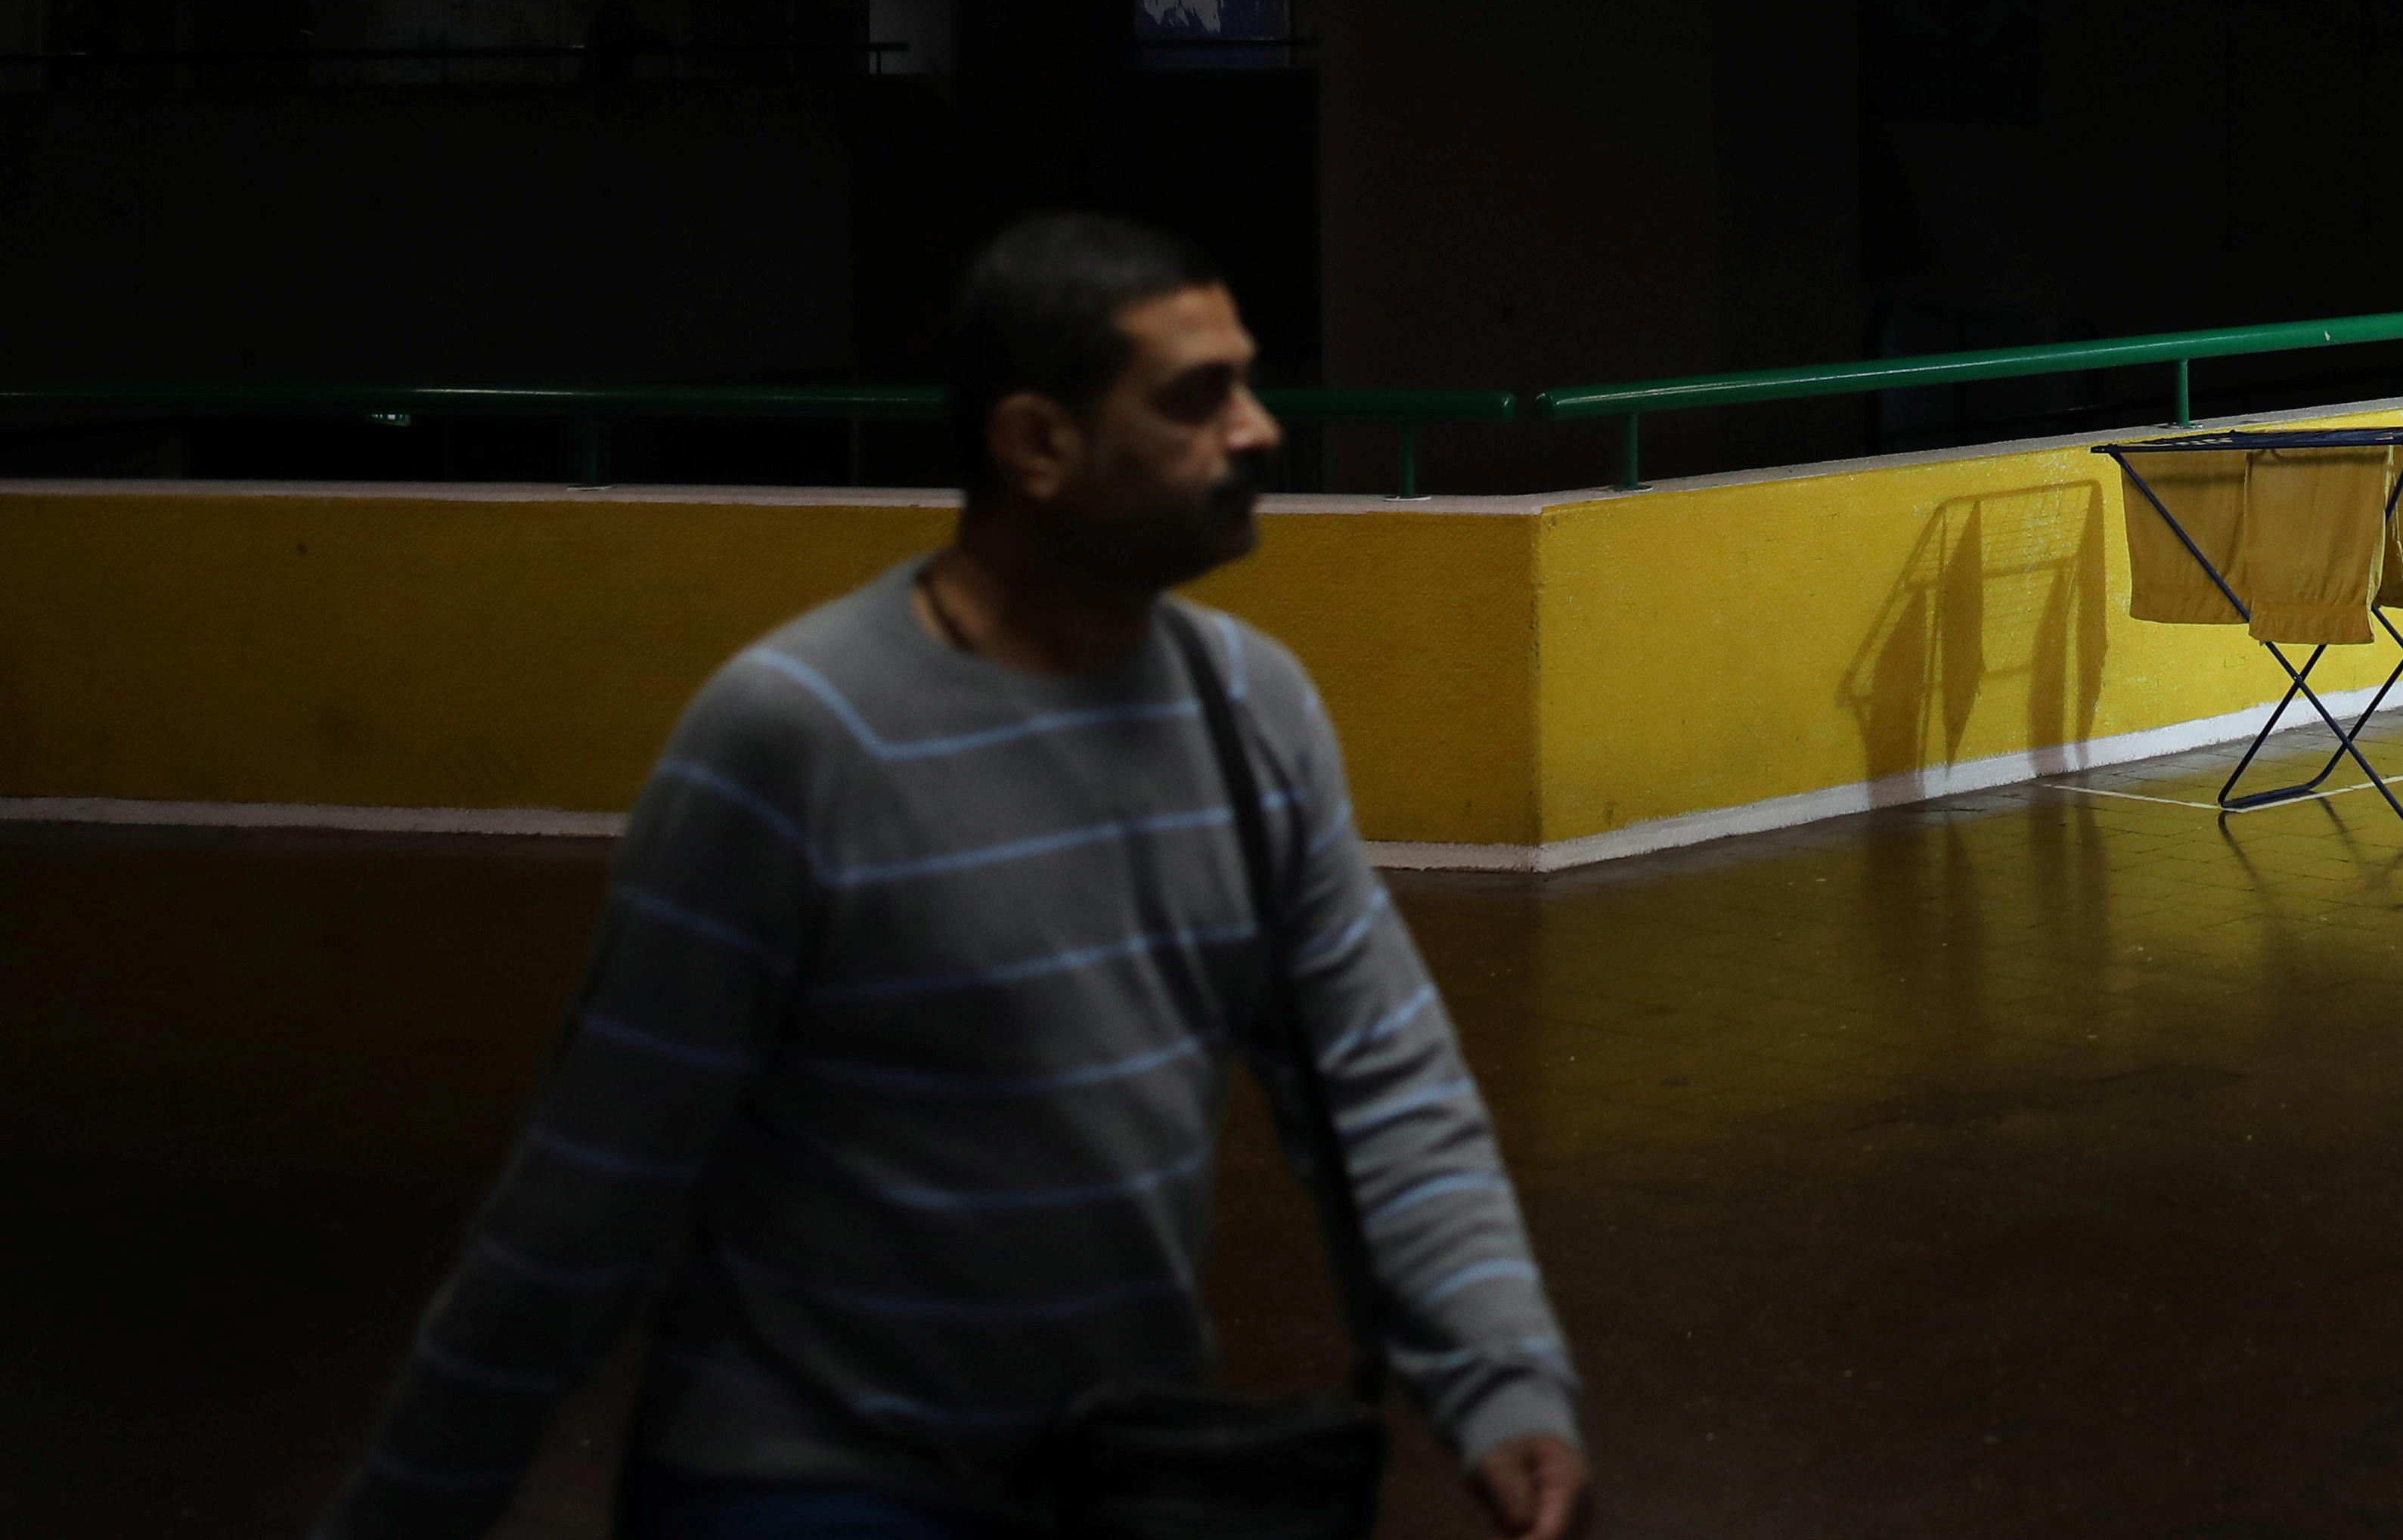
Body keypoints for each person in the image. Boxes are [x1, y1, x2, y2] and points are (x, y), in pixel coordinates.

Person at [319, 214, 1593, 1540]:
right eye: (1197, 396)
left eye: (1247, 379)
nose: (1261, 428)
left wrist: (1502, 1383)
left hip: (1110, 1465)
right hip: (803, 1478)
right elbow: (589, 1197)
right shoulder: (797, 736)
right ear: (1036, 442)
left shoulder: (1251, 710)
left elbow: (1380, 1083)